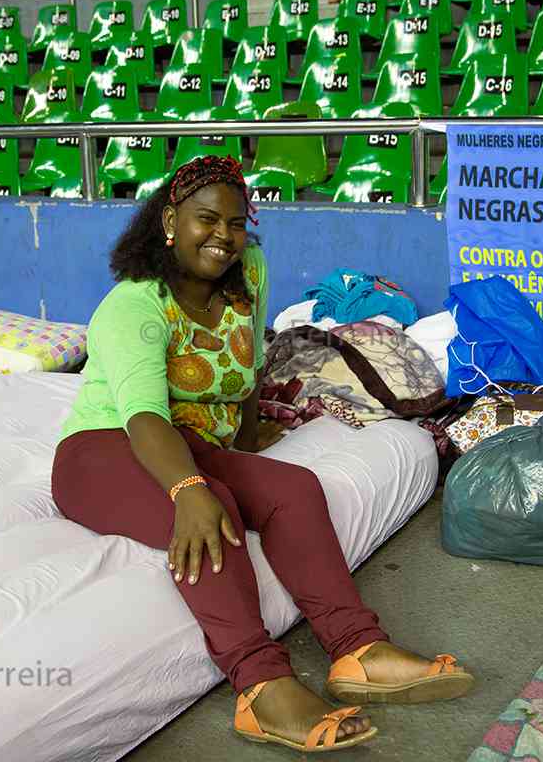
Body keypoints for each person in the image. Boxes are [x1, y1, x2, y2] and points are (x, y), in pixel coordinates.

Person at [52, 155, 474, 753]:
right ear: (169, 221)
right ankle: (261, 687)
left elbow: (248, 374)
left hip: (190, 443)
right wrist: (189, 490)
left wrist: (248, 445)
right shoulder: (134, 304)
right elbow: (144, 417)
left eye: (236, 222)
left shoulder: (247, 269)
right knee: (210, 505)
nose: (223, 237)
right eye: (206, 220)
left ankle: (357, 650)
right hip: (103, 451)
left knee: (293, 487)